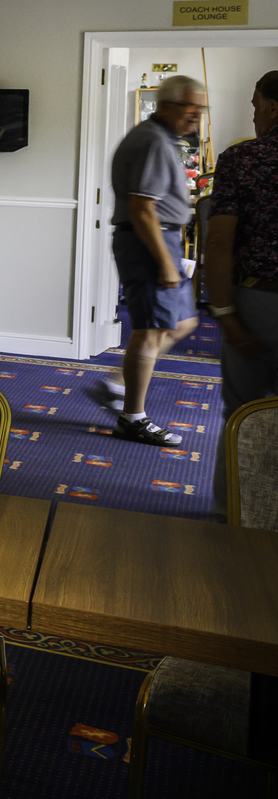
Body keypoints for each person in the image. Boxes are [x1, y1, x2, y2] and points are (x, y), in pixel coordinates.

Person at [105, 74, 207, 445]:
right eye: (190, 107)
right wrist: (164, 262)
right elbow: (142, 207)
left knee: (183, 323)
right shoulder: (152, 141)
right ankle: (132, 417)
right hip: (149, 241)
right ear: (165, 105)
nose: (196, 115)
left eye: (200, 108)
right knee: (149, 331)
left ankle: (119, 382)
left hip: (162, 239)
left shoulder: (161, 138)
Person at [205, 69, 278, 498]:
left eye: (255, 106)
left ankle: (229, 518)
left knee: (242, 415)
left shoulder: (243, 158)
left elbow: (218, 242)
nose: (253, 116)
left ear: (272, 107)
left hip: (258, 303)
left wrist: (224, 313)